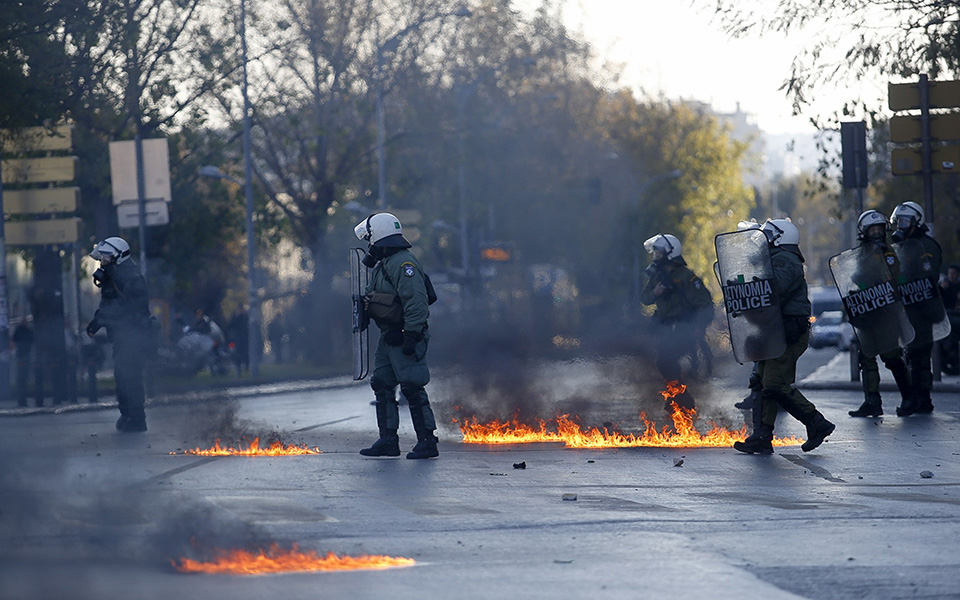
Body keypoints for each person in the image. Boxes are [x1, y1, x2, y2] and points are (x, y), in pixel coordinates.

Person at [734, 219, 835, 454]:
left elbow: (774, 288)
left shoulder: (786, 259)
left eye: (768, 235)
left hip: (788, 332)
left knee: (775, 384)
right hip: (774, 332)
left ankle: (817, 422)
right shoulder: (771, 260)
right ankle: (762, 436)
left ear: (780, 237)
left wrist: (750, 287)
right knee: (761, 383)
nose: (764, 240)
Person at [353, 212, 439, 459]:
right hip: (389, 335)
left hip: (405, 335)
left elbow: (416, 302)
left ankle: (427, 441)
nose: (368, 244)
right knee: (382, 383)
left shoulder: (403, 264)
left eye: (369, 238)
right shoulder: (384, 265)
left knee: (412, 386)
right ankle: (388, 441)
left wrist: (410, 335)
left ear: (378, 236)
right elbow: (375, 296)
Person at [847, 210, 913, 418]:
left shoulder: (887, 252)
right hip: (868, 310)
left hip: (886, 312)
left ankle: (909, 397)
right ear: (864, 231)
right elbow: (858, 277)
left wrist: (869, 277)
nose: (876, 233)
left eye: (879, 229)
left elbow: (892, 276)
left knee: (891, 356)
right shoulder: (862, 253)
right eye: (872, 229)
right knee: (866, 355)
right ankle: (872, 401)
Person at [86, 237, 153, 432]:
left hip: (133, 337)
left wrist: (100, 321)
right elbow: (108, 304)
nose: (103, 261)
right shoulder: (113, 276)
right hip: (121, 337)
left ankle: (137, 419)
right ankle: (127, 415)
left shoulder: (131, 278)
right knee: (122, 377)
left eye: (106, 257)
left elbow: (128, 308)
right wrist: (97, 322)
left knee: (130, 378)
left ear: (118, 256)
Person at [639, 233, 713, 410]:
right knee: (664, 361)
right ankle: (677, 396)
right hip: (664, 327)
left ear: (670, 253)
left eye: (659, 252)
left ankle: (681, 399)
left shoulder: (686, 276)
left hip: (684, 326)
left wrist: (698, 327)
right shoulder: (657, 276)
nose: (656, 256)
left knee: (667, 359)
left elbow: (705, 304)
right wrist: (655, 292)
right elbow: (645, 298)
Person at [890, 201, 942, 415]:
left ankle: (922, 398)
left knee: (920, 354)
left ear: (916, 222)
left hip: (923, 308)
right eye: (898, 221)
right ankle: (919, 397)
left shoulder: (926, 246)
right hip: (906, 310)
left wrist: (904, 279)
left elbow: (929, 275)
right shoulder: (901, 247)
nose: (900, 226)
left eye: (905, 221)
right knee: (911, 353)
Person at [940, 264, 960, 375]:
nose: (951, 276)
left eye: (954, 273)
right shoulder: (944, 286)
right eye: (949, 273)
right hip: (946, 316)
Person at [12, 321, 34, 407]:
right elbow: (32, 340)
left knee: (21, 379)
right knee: (23, 378)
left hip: (20, 356)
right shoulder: (28, 330)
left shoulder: (19, 330)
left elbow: (14, 339)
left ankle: (21, 400)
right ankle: (23, 400)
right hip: (25, 356)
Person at [226, 308, 250, 374]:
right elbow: (229, 326)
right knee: (238, 353)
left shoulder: (245, 317)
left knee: (244, 352)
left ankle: (246, 366)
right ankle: (239, 367)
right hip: (237, 339)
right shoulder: (235, 318)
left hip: (243, 339)